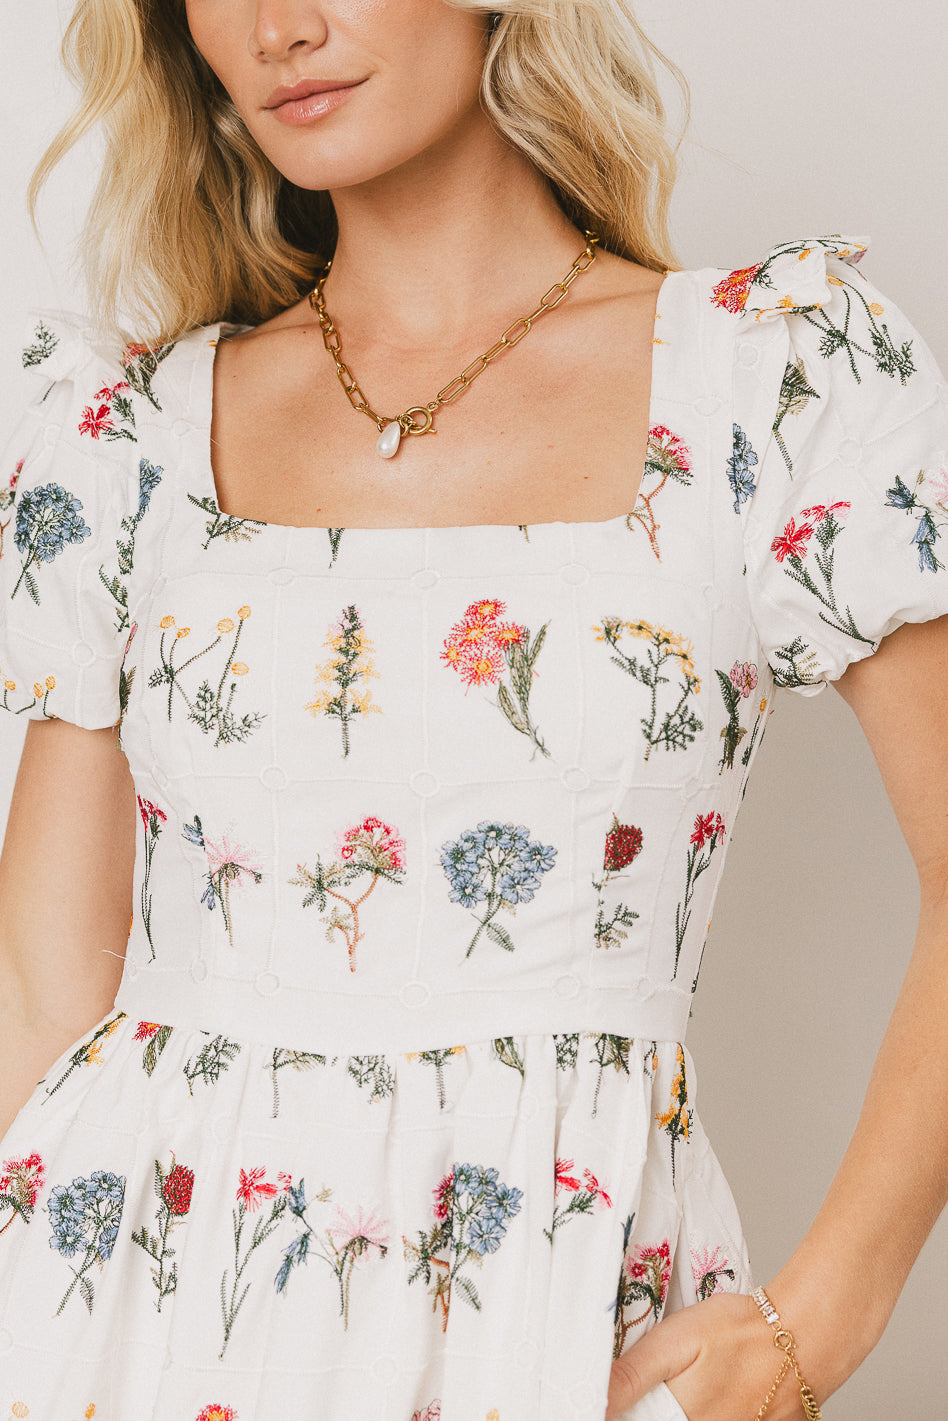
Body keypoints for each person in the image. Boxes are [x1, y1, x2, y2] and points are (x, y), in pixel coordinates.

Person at [0, 1, 946, 1417]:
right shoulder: (119, 429)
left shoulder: (773, 377)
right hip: (124, 1320)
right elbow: (42, 994)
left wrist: (818, 1322)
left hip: (554, 1316)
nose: (279, 27)